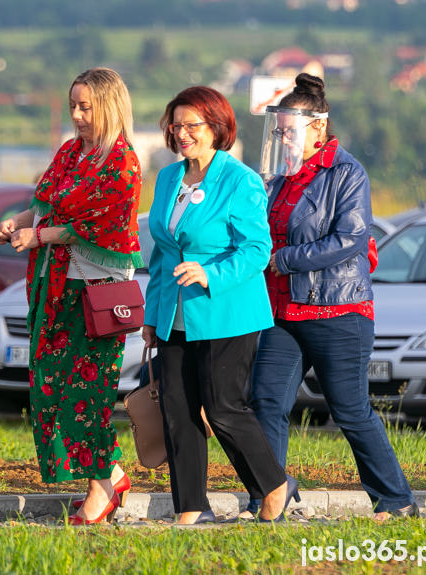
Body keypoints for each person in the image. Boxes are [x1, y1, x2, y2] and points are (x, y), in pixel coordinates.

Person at [243, 73, 417, 521]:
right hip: (282, 312)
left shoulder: (347, 173)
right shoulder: (280, 177)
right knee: (266, 401)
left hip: (338, 310)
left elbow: (351, 239)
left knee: (350, 410)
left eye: (288, 129)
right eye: (277, 129)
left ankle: (396, 501)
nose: (281, 137)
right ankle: (270, 495)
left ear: (317, 127)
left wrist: (283, 260)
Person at [142, 86, 299, 525]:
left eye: (193, 125)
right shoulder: (169, 178)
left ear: (217, 128)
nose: (183, 133)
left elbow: (255, 249)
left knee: (223, 408)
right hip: (173, 313)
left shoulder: (240, 180)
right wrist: (152, 316)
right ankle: (191, 506)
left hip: (227, 312)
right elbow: (162, 254)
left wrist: (210, 273)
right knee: (177, 408)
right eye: (176, 125)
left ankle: (273, 484)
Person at [0, 67, 142, 525]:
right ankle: (110, 473)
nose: (77, 115)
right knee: (49, 386)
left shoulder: (123, 163)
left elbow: (101, 226)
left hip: (98, 292)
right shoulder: (69, 154)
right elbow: (46, 205)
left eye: (86, 107)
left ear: (109, 106)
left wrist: (40, 237)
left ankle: (102, 482)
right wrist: (19, 223)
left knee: (88, 390)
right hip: (57, 287)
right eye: (73, 105)